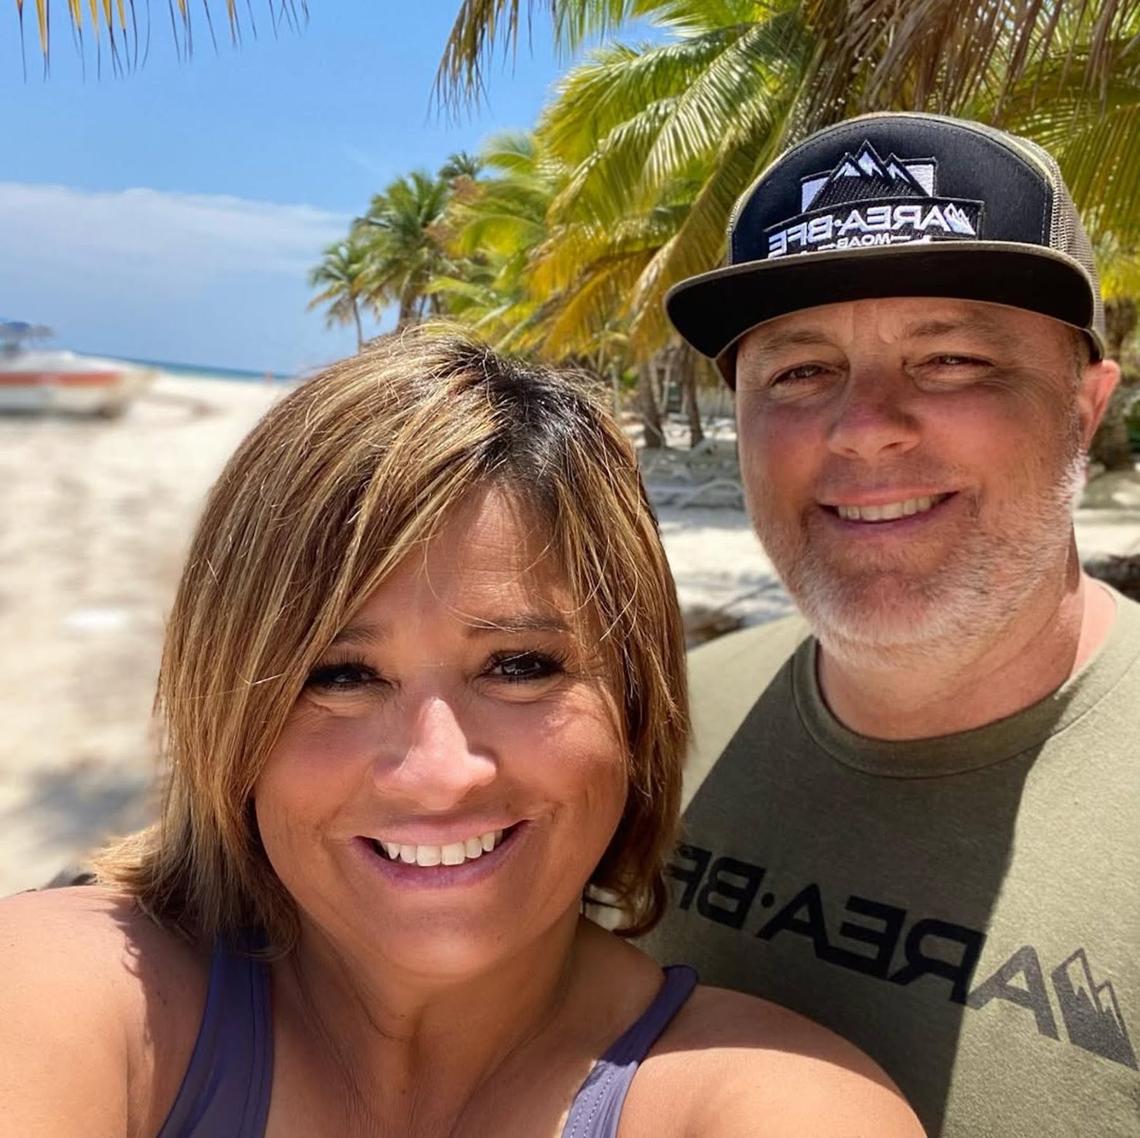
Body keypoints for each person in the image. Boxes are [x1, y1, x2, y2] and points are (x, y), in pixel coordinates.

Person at [0, 329, 922, 1138]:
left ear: (639, 706)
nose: (439, 775)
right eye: (339, 676)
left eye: (521, 666)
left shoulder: (772, 1102)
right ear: (225, 710)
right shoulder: (67, 997)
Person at [646, 111, 1140, 1137]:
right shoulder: (645, 732)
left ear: (1085, 409)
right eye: (800, 371)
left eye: (952, 358)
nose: (865, 425)